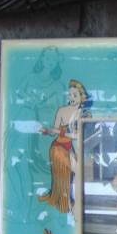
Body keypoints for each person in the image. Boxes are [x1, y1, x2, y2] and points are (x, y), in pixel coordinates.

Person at [39, 79, 89, 214]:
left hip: (72, 148)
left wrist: (60, 132)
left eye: (75, 95)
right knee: (66, 177)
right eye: (70, 95)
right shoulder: (62, 110)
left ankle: (75, 204)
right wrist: (47, 131)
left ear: (82, 97)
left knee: (77, 174)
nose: (71, 98)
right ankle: (67, 204)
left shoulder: (84, 114)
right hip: (58, 148)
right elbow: (54, 131)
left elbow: (78, 135)